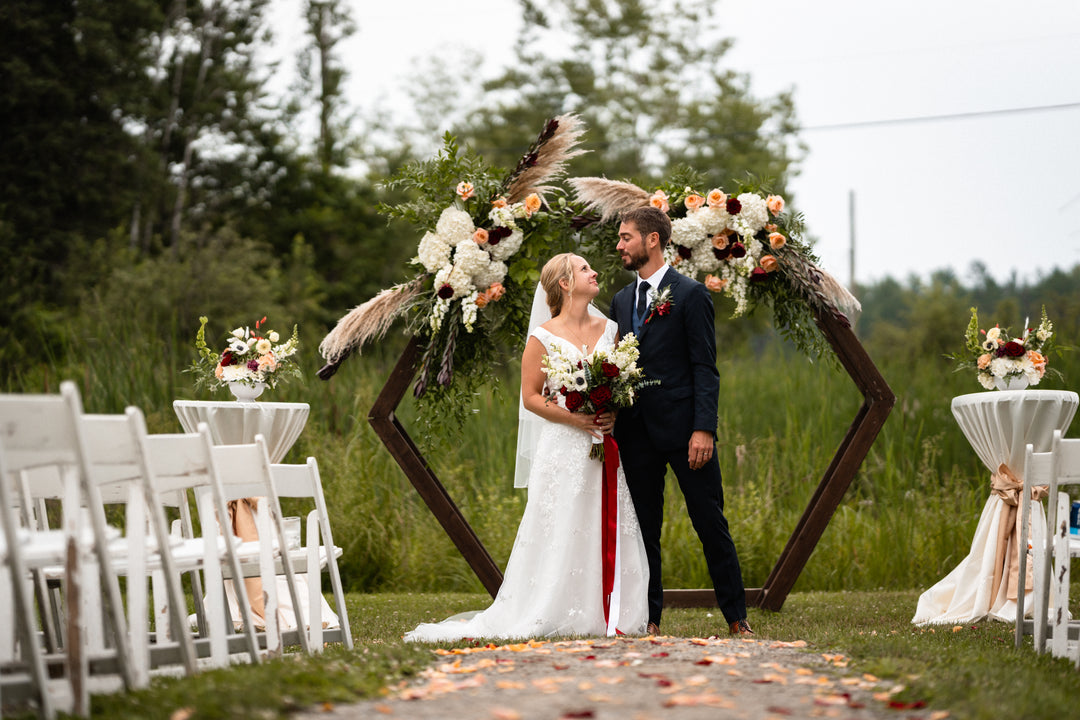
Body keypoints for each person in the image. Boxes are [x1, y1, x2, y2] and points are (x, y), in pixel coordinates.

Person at [404, 253, 649, 642]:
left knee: (602, 523)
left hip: (601, 445)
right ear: (565, 283)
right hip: (563, 446)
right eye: (585, 269)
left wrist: (611, 412)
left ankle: (606, 610)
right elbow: (532, 398)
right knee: (561, 525)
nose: (594, 272)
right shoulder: (543, 337)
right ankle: (550, 608)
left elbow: (621, 383)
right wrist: (575, 418)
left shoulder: (611, 329)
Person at [609, 205, 753, 636]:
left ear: (652, 240)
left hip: (686, 431)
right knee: (643, 532)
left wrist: (704, 428)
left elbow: (704, 368)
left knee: (710, 523)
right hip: (635, 434)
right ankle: (648, 620)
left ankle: (737, 619)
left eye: (626, 237)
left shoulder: (690, 294)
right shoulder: (619, 300)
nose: (620, 246)